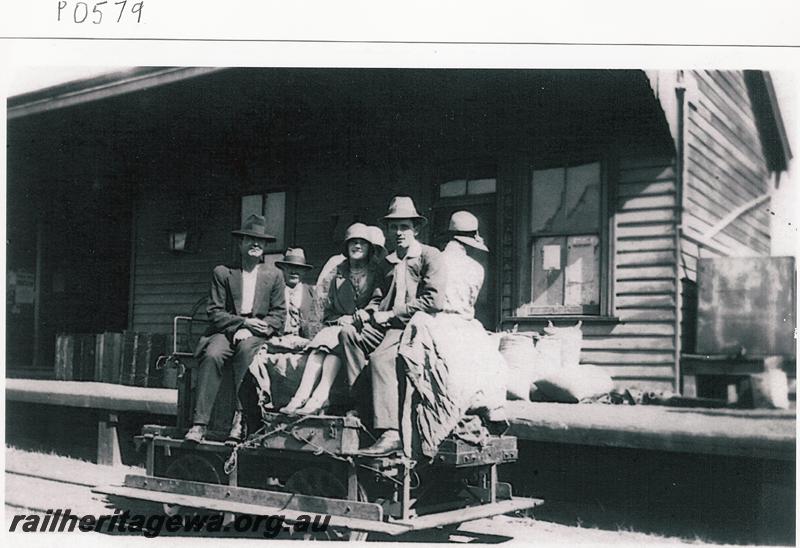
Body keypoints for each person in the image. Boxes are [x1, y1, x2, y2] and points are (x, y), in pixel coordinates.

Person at [336, 196, 446, 456]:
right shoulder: (387, 263)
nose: (398, 233)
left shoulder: (430, 256)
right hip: (386, 326)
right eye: (393, 227)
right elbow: (378, 295)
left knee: (381, 359)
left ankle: (391, 432)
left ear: (416, 229)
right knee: (348, 334)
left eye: (404, 227)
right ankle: (362, 406)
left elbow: (434, 300)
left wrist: (393, 313)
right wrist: (369, 311)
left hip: (415, 327)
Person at [397, 210, 507, 459]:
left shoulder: (433, 259)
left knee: (437, 365)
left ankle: (441, 416)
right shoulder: (476, 268)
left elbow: (422, 297)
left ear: (449, 238)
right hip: (467, 324)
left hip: (438, 321)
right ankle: (489, 406)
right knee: (489, 362)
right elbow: (470, 302)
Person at [184, 215, 286, 444]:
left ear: (266, 247)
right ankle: (199, 424)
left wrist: (256, 328)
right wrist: (241, 323)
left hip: (256, 333)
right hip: (227, 329)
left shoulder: (275, 275)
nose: (255, 244)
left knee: (246, 353)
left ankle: (239, 423)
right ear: (240, 244)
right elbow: (214, 311)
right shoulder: (223, 272)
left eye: (260, 241)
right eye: (250, 239)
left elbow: (279, 315)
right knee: (212, 355)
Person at [280, 223, 383, 415]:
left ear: (369, 247)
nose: (357, 246)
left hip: (365, 329)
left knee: (336, 339)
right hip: (339, 328)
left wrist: (366, 313)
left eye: (362, 243)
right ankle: (302, 395)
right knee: (322, 349)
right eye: (353, 242)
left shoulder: (376, 271)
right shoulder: (337, 272)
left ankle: (319, 396)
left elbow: (379, 300)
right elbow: (325, 306)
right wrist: (339, 319)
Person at [275, 248, 317, 338]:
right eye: (289, 267)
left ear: (304, 271)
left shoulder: (311, 293)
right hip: (278, 340)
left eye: (298, 268)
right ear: (283, 269)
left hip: (305, 341)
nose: (293, 271)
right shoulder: (275, 291)